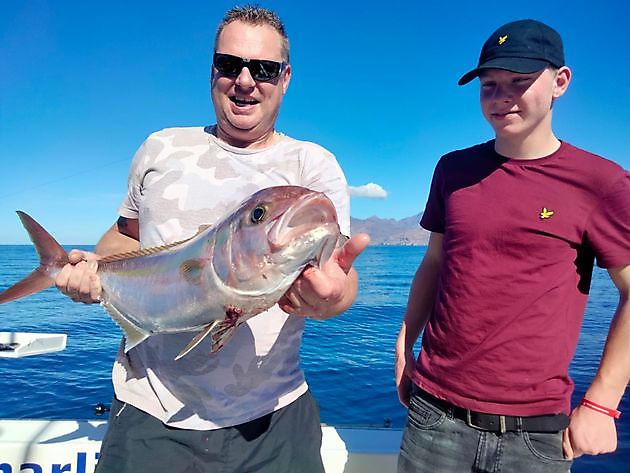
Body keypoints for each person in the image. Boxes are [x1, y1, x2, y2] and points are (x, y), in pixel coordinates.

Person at [55, 6, 369, 473]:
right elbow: (124, 237)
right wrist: (90, 270)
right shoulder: (161, 148)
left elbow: (339, 277)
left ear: (284, 79)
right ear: (212, 71)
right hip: (149, 413)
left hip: (274, 418)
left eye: (262, 69)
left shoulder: (314, 167)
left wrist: (329, 299)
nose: (245, 80)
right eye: (230, 64)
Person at [395, 19, 630, 473]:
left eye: (520, 81)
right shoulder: (453, 170)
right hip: (434, 414)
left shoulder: (601, 182)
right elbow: (434, 262)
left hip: (537, 432)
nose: (501, 96)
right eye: (489, 85)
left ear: (560, 82)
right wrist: (405, 346)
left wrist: (602, 403)